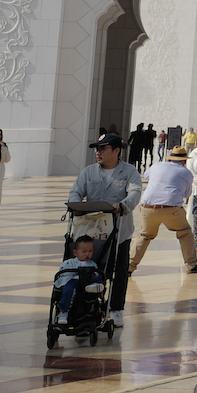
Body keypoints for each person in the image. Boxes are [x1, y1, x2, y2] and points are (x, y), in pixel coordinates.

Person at [67, 133, 142, 327]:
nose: (98, 153)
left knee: (120, 270)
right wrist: (75, 204)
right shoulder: (89, 172)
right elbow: (76, 190)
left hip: (119, 231)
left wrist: (123, 205)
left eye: (103, 148)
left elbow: (135, 192)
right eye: (96, 149)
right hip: (91, 232)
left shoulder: (129, 171)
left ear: (116, 151)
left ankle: (116, 310)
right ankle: (84, 308)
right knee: (90, 269)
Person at [131, 146, 197, 280]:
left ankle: (129, 266)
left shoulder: (157, 165)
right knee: (185, 232)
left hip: (148, 206)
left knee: (144, 235)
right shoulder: (186, 172)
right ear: (184, 160)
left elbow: (147, 176)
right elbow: (186, 194)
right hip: (171, 208)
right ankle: (191, 265)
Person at [51, 235, 103, 324]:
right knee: (69, 289)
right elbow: (63, 272)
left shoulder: (92, 264)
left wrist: (93, 275)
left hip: (87, 281)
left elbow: (96, 273)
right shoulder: (70, 262)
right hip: (73, 281)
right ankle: (63, 311)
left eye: (90, 251)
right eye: (84, 252)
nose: (87, 254)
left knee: (98, 277)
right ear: (75, 253)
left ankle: (93, 287)